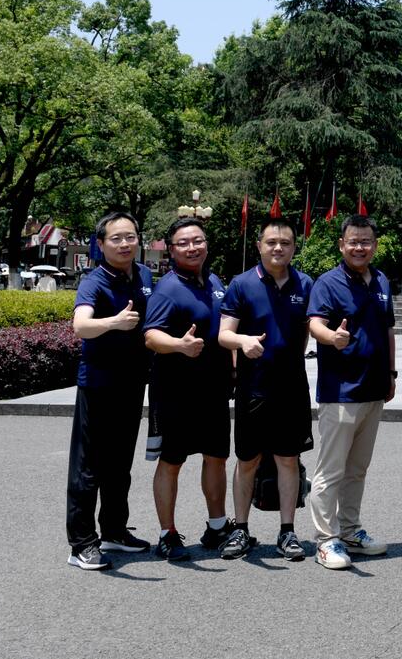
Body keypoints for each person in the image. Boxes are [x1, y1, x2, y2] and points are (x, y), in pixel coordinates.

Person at [216, 218, 314, 562]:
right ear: (259, 245)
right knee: (248, 460)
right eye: (271, 242)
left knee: (289, 459)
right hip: (253, 388)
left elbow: (305, 330)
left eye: (285, 243)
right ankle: (241, 528)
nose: (278, 248)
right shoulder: (241, 284)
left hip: (292, 388)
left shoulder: (305, 283)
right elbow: (223, 334)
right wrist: (243, 341)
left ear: (293, 248)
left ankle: (287, 531)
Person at [306, 214, 396, 570]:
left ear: (375, 245)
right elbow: (314, 323)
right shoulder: (328, 282)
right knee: (331, 471)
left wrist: (391, 374)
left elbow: (388, 330)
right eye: (353, 242)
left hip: (374, 389)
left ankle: (350, 531)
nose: (360, 247)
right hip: (340, 390)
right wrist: (333, 337)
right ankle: (325, 540)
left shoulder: (382, 280)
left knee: (357, 469)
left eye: (366, 241)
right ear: (342, 245)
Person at [65, 212, 154, 569]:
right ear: (100, 244)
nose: (124, 244)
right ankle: (81, 544)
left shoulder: (144, 274)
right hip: (98, 385)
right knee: (88, 467)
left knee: (119, 464)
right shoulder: (93, 281)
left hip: (131, 384)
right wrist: (114, 322)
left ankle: (114, 531)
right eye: (116, 238)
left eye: (130, 236)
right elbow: (80, 326)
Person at [143, 216, 232, 561]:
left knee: (216, 457)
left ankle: (217, 526)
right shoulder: (167, 288)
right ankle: (167, 534)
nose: (192, 247)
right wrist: (179, 345)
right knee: (172, 461)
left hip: (214, 388)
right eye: (183, 243)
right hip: (175, 390)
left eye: (198, 240)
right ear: (171, 249)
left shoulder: (214, 281)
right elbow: (151, 336)